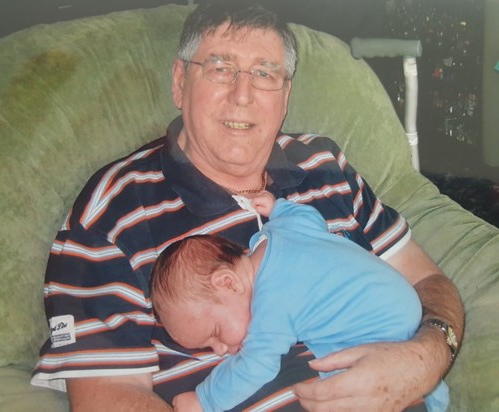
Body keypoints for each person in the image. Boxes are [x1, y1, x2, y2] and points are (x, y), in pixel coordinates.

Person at [31, 1, 464, 411]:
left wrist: (424, 359)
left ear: (286, 93)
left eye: (264, 73)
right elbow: (107, 396)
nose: (243, 94)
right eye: (221, 69)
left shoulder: (324, 165)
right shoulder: (115, 209)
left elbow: (426, 278)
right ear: (180, 82)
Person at [150, 192, 449, 412]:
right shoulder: (277, 233)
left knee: (347, 392)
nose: (219, 349)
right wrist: (278, 207)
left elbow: (256, 366)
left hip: (375, 332)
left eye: (214, 332)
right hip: (400, 306)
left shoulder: (272, 300)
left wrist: (204, 400)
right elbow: (310, 218)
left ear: (227, 282)